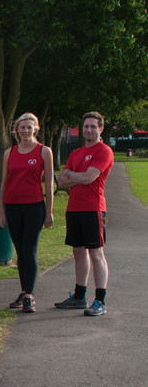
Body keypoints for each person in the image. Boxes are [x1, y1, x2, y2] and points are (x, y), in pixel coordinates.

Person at [53, 111, 113, 316]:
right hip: (74, 208)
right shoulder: (76, 153)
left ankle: (100, 300)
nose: (89, 130)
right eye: (86, 126)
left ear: (100, 129)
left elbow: (89, 178)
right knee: (78, 252)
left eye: (93, 127)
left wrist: (71, 175)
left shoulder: (104, 151)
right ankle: (79, 297)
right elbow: (61, 182)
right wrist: (72, 176)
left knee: (96, 253)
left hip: (93, 208)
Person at [0, 113, 55, 313]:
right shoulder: (9, 152)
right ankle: (24, 291)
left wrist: (49, 212)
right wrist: (1, 209)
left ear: (35, 129)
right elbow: (4, 182)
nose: (25, 131)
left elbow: (48, 183)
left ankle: (29, 295)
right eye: (22, 127)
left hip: (34, 207)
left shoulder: (44, 151)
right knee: (21, 251)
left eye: (29, 127)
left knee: (29, 250)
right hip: (13, 207)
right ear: (17, 130)